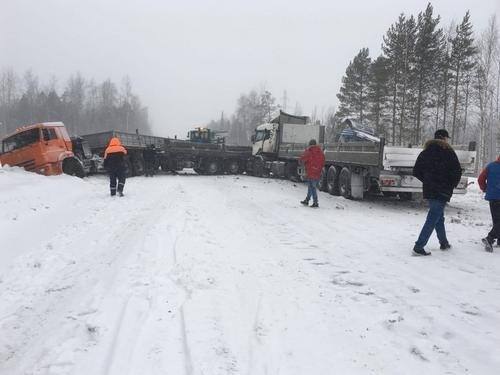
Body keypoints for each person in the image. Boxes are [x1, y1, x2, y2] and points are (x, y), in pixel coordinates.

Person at [412, 129, 462, 256]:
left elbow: (416, 171)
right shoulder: (449, 153)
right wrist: (450, 184)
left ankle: (443, 242)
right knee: (433, 216)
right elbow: (457, 171)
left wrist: (428, 180)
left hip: (430, 189)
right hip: (443, 189)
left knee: (438, 216)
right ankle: (418, 246)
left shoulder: (425, 152)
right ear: (444, 138)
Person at [477, 157, 500, 252]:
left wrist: (485, 189)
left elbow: (480, 179)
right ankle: (490, 238)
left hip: (493, 198)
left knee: (497, 220)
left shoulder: (490, 166)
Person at [299, 139, 325, 208]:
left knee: (312, 187)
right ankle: (307, 200)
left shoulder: (309, 151)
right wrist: (318, 168)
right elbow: (323, 161)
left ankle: (315, 202)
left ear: (310, 144)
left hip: (310, 171)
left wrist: (301, 162)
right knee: (311, 187)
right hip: (317, 171)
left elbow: (303, 158)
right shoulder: (320, 151)